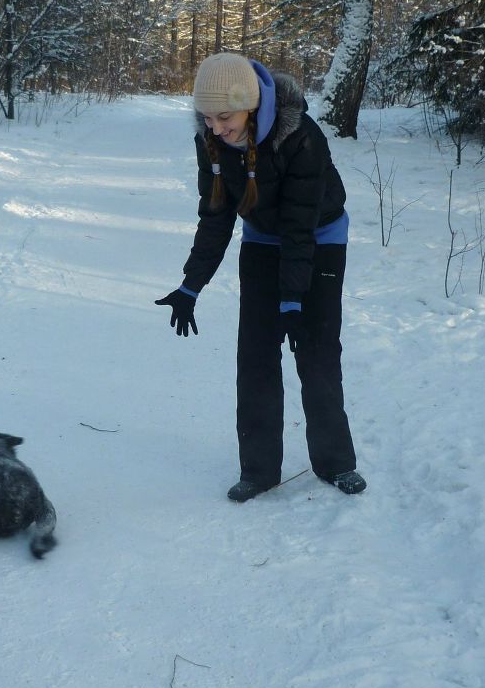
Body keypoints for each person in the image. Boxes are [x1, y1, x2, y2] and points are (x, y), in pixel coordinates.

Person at [156, 51, 366, 503]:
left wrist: (292, 299)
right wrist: (191, 285)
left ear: (250, 107)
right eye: (207, 117)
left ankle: (335, 462)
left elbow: (299, 225)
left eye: (224, 117)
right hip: (262, 240)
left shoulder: (301, 137)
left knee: (316, 350)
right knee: (255, 354)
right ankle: (259, 469)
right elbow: (216, 215)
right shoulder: (211, 142)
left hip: (319, 238)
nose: (215, 128)